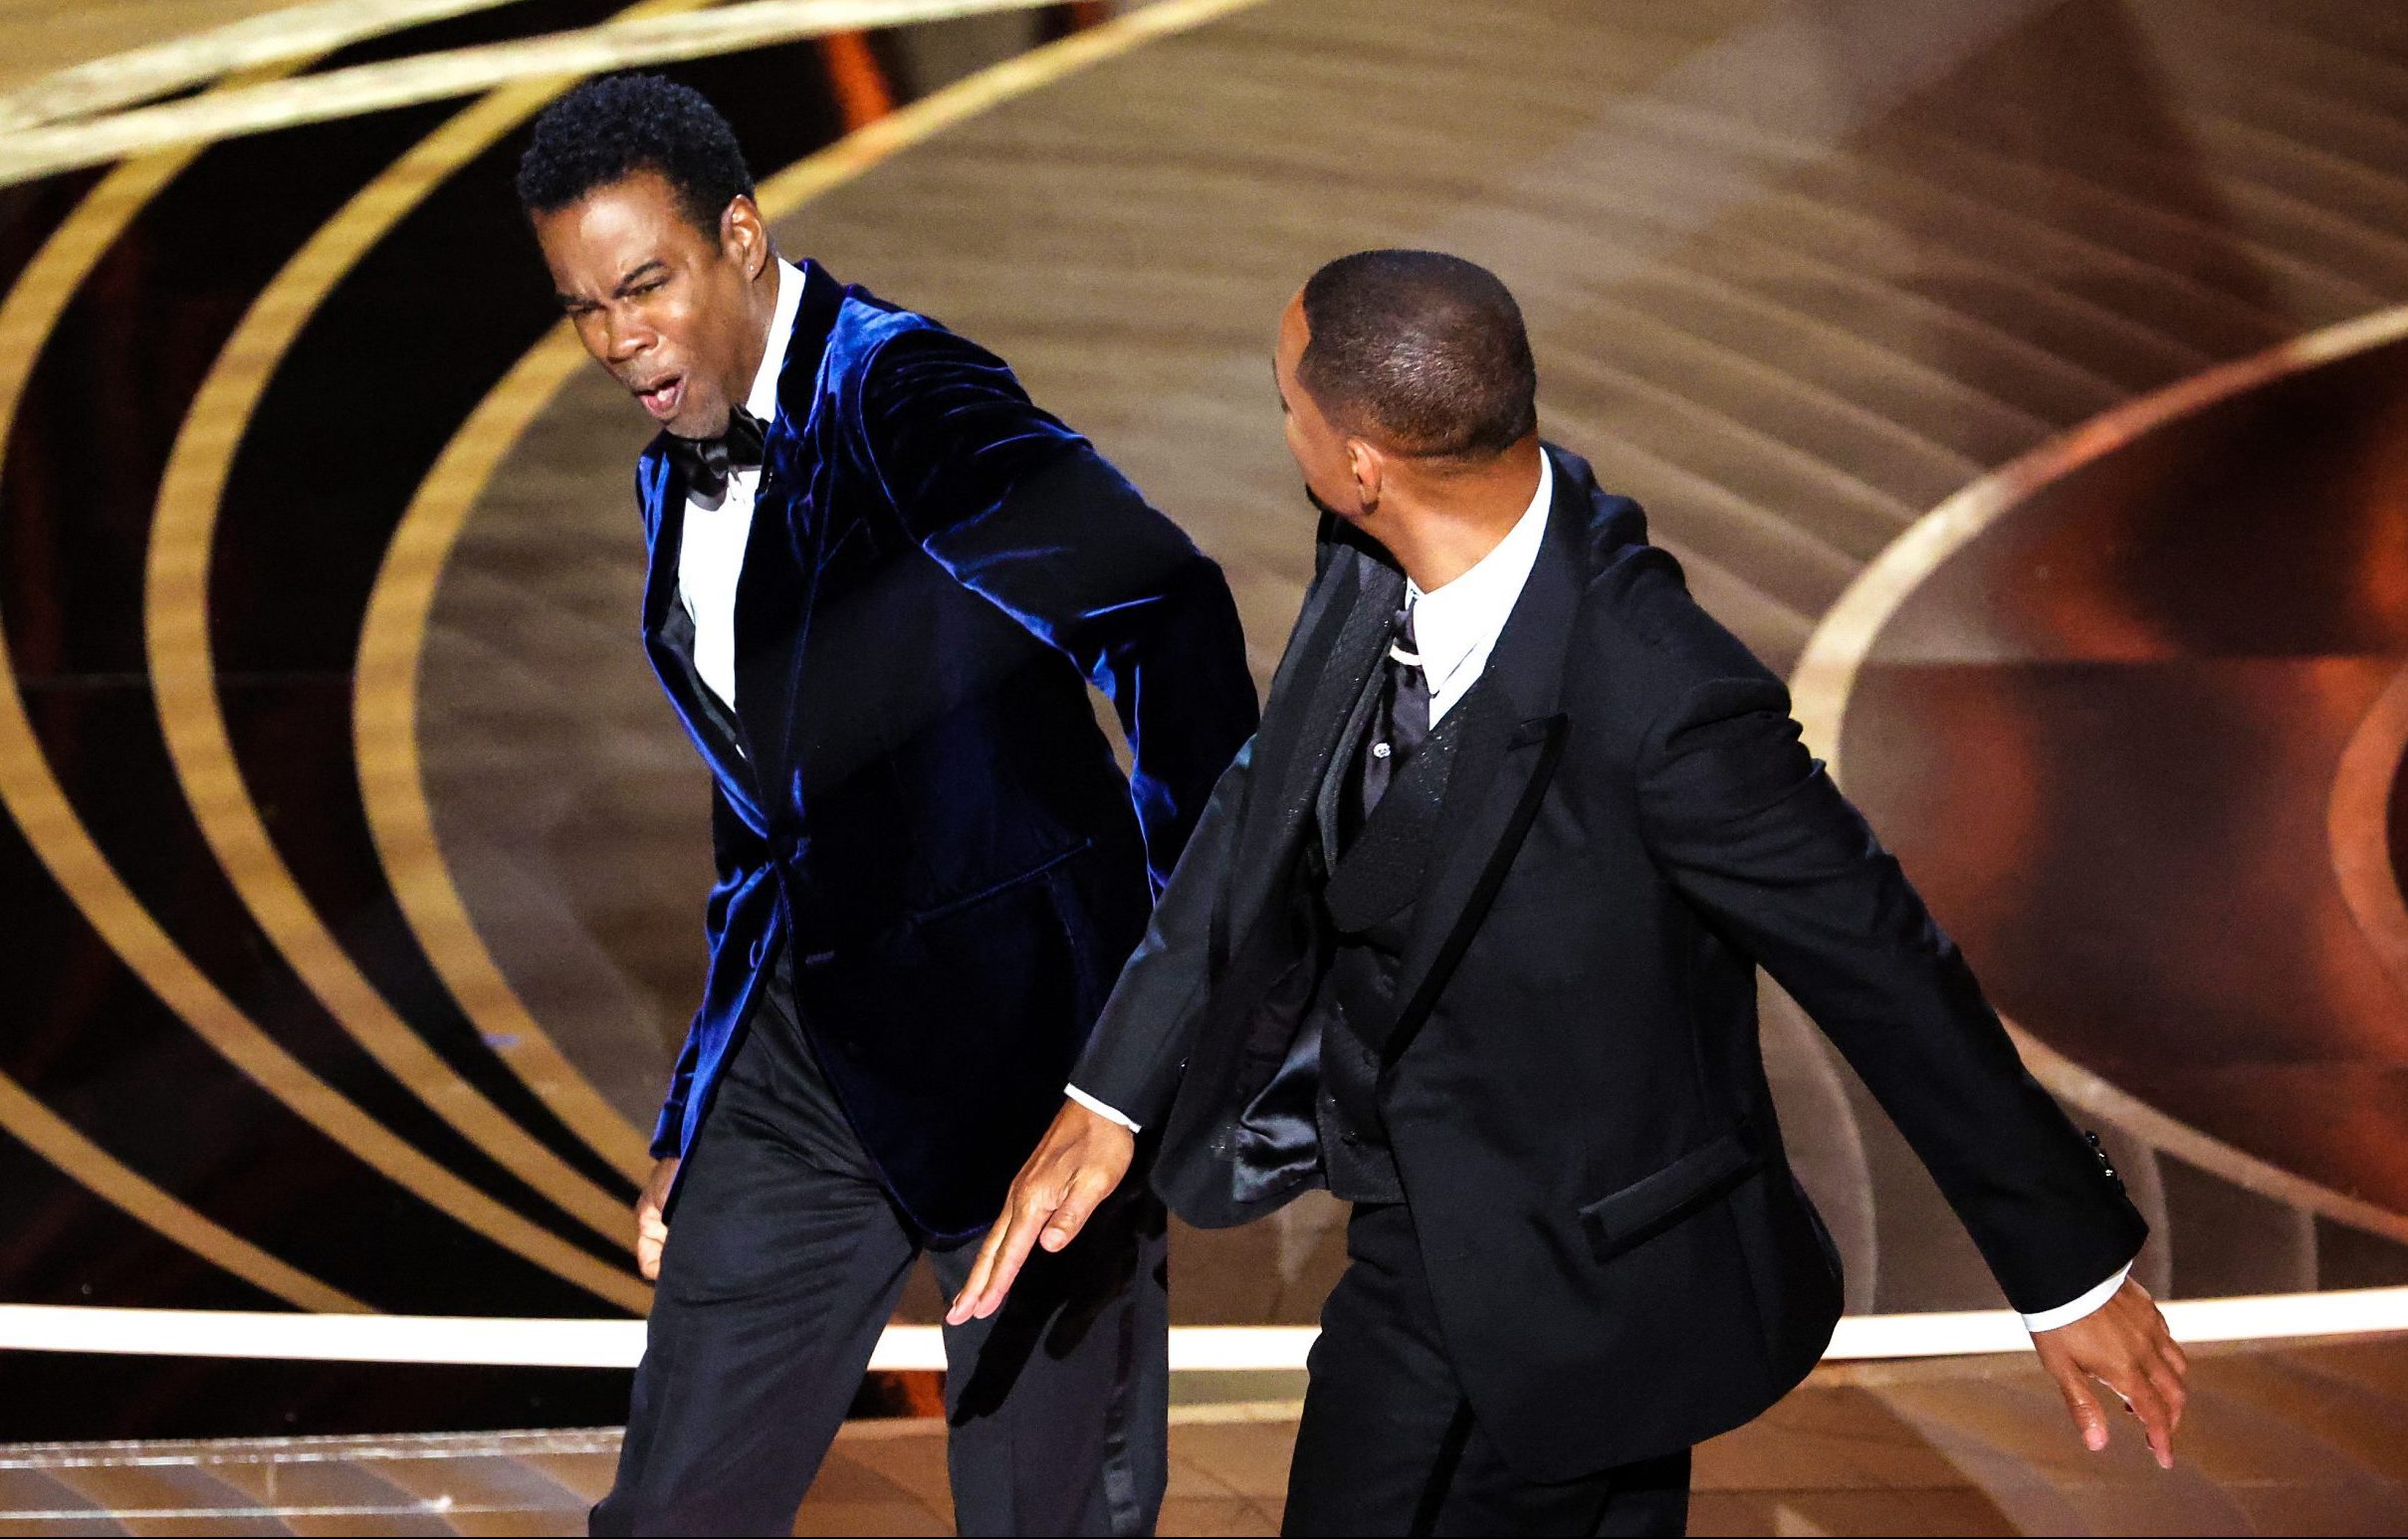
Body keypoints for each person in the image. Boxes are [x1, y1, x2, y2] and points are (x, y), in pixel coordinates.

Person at [950, 250, 2189, 1536]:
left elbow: (1883, 964)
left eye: (1286, 405)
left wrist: (2069, 1272)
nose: (1284, 430)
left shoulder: (1667, 700)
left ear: (1364, 464)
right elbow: (1272, 792)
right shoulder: (1369, 552)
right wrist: (1113, 1093)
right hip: (1430, 1235)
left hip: (1590, 1275)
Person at [517, 74, 1257, 1536]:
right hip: (807, 1063)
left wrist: (1156, 1017)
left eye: (645, 286)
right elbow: (765, 815)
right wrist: (699, 1102)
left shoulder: (907, 397)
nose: (617, 339)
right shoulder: (673, 474)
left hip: (1028, 1076)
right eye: (583, 308)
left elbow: (1170, 619)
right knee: (672, 1514)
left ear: (740, 235)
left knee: (1048, 1523)